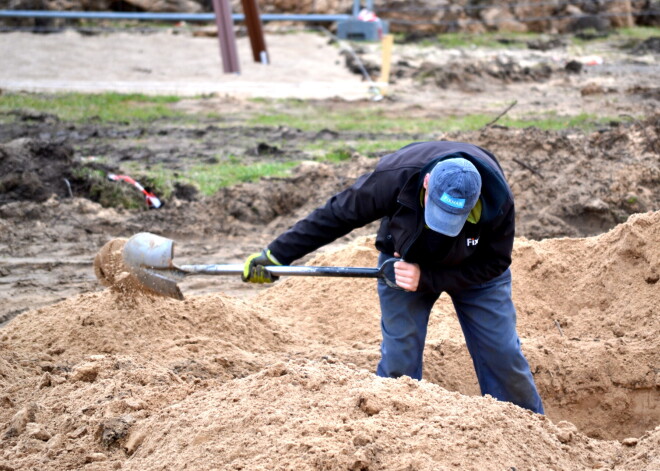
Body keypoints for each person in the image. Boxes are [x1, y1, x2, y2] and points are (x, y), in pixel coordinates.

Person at [242, 140, 544, 414]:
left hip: (473, 269)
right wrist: (276, 254)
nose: (443, 226)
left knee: (503, 354)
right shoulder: (396, 176)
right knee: (399, 358)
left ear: (476, 199)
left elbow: (496, 262)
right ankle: (392, 434)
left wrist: (427, 279)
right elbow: (336, 215)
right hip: (404, 262)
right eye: (438, 212)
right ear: (426, 183)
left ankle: (528, 430)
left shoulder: (498, 200)